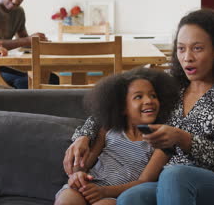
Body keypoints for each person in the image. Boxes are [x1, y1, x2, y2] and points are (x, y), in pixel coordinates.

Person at [64, 9, 214, 205]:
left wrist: (183, 139)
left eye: (197, 48)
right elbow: (116, 100)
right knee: (132, 196)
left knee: (175, 175)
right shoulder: (171, 88)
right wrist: (84, 136)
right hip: (167, 180)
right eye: (181, 49)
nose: (187, 57)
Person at [55, 68, 179, 205]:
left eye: (153, 96)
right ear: (122, 108)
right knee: (67, 200)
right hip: (88, 185)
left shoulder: (161, 141)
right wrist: (77, 175)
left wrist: (103, 192)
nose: (149, 100)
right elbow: (86, 163)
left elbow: (144, 182)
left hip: (116, 196)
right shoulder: (108, 130)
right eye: (138, 97)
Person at [0, 0, 57, 88]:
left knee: (51, 78)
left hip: (6, 65)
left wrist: (39, 42)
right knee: (26, 81)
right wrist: (27, 40)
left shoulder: (18, 12)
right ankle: (30, 106)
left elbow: (23, 39)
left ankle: (44, 106)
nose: (15, 1)